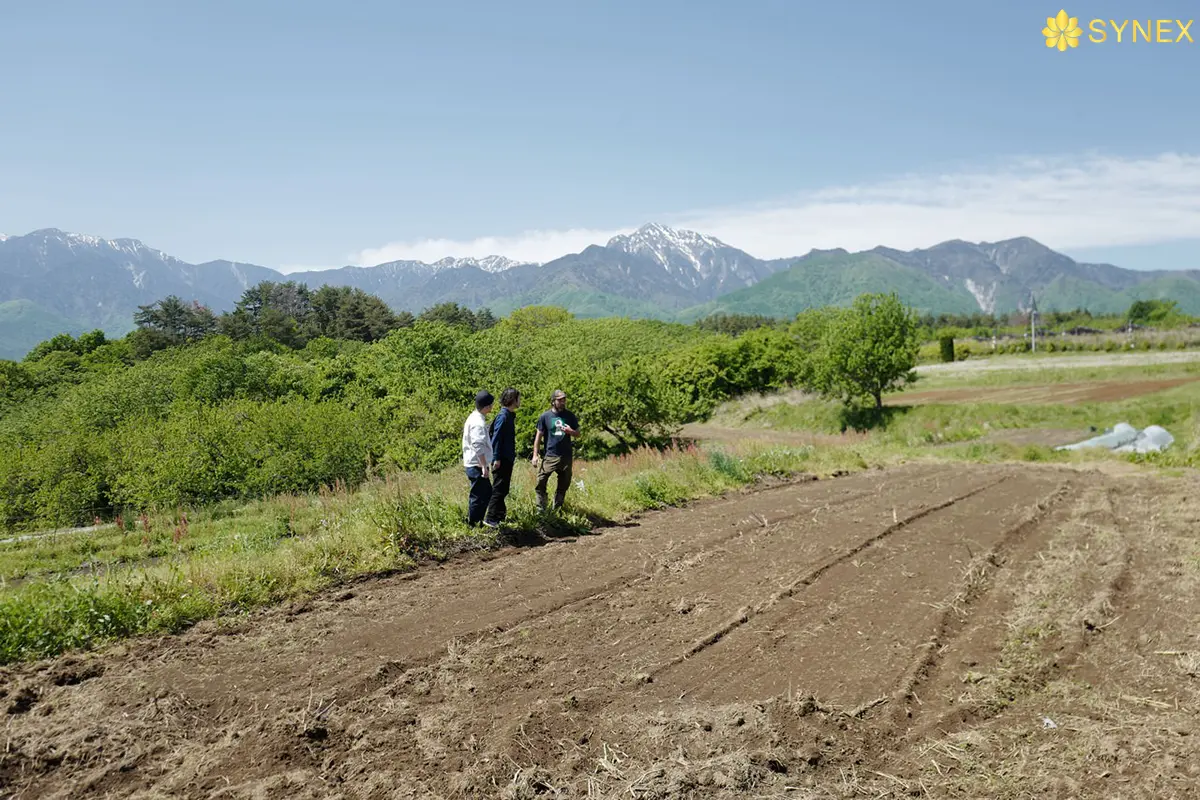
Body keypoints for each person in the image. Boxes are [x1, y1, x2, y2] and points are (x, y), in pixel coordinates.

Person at [531, 389, 580, 512]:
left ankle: (557, 510)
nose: (563, 402)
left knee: (564, 484)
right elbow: (538, 437)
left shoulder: (570, 416)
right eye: (560, 400)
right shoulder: (545, 416)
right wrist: (535, 455)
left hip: (566, 456)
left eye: (564, 400)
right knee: (541, 480)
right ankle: (541, 510)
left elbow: (578, 433)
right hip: (551, 455)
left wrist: (571, 432)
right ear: (553, 401)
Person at [483, 387, 520, 527]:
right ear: (512, 400)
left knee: (504, 488)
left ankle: (500, 516)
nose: (519, 401)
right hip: (502, 458)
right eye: (518, 398)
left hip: (507, 457)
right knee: (499, 488)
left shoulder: (508, 416)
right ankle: (490, 518)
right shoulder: (503, 416)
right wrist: (496, 458)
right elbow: (496, 438)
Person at [461, 390, 494, 527]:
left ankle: (476, 521)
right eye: (491, 405)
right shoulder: (477, 422)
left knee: (484, 492)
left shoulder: (475, 417)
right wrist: (483, 466)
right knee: (479, 494)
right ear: (487, 406)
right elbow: (477, 444)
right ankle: (473, 523)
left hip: (475, 463)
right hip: (476, 464)